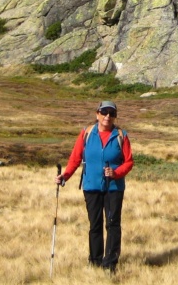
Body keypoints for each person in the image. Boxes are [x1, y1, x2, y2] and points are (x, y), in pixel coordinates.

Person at [56, 100, 133, 273]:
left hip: (114, 188)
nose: (107, 116)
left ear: (115, 117)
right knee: (95, 225)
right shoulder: (87, 133)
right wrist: (65, 176)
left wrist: (116, 173)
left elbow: (129, 162)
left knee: (112, 224)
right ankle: (95, 261)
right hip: (91, 186)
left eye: (111, 113)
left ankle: (110, 264)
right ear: (97, 114)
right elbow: (75, 158)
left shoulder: (121, 135)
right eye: (104, 112)